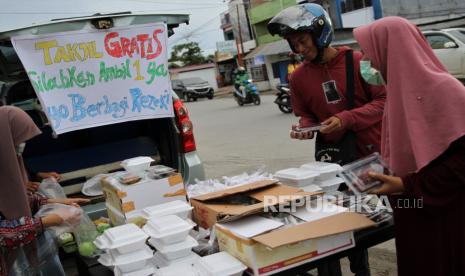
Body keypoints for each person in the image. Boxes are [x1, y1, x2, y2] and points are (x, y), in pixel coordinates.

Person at [268, 3, 386, 276]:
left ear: (320, 33)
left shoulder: (361, 62)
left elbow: (384, 101)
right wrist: (305, 129)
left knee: (365, 223)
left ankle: (362, 271)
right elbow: (306, 117)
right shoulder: (297, 78)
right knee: (330, 223)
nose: (298, 49)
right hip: (329, 161)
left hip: (369, 158)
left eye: (302, 40)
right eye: (293, 43)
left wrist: (346, 118)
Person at [353, 16, 465, 276]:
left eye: (369, 53)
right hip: (411, 208)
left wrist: (406, 185)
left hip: (445, 212)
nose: (366, 62)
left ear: (392, 50)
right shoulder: (398, 92)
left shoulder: (446, 90)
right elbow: (407, 151)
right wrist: (381, 175)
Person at [0, 106, 88, 276]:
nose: (21, 146)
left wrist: (55, 202)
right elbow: (4, 234)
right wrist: (50, 220)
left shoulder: (10, 165)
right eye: (16, 140)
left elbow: (16, 201)